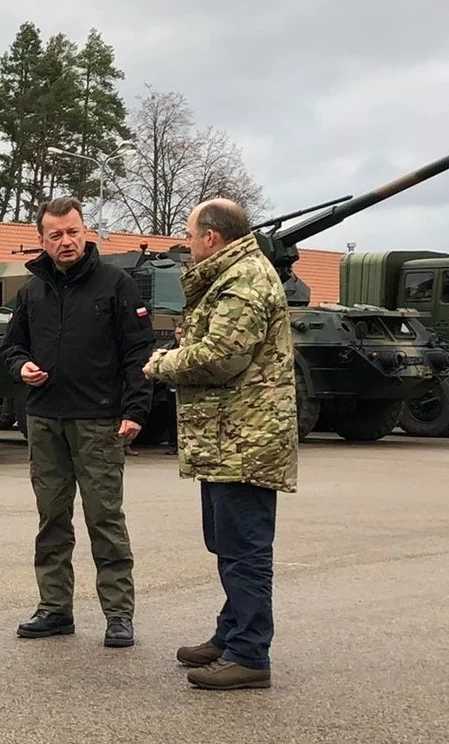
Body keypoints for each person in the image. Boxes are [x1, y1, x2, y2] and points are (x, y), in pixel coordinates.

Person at [143, 198, 298, 690]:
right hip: (227, 436)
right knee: (227, 542)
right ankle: (231, 635)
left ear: (211, 237)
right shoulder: (232, 275)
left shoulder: (243, 280)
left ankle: (250, 653)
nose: (187, 245)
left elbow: (221, 356)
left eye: (190, 235)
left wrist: (161, 364)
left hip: (244, 438)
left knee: (245, 548)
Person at [1, 196, 155, 648]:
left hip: (100, 421)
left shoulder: (117, 284)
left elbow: (137, 354)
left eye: (73, 232)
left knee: (104, 518)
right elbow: (12, 347)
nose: (66, 242)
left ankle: (119, 614)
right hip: (45, 419)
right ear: (42, 240)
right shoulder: (31, 292)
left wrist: (135, 411)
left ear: (86, 231)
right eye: (56, 235)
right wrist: (21, 367)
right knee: (51, 518)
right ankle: (54, 608)